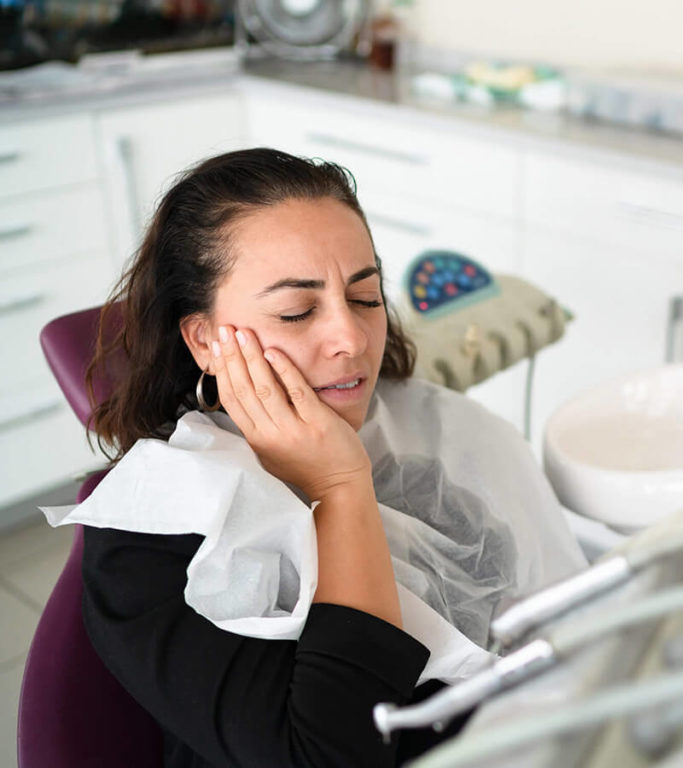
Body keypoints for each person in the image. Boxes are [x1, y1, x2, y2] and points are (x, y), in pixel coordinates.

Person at [73, 147, 583, 767]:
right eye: (297, 311)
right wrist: (341, 489)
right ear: (205, 338)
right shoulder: (152, 536)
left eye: (365, 298)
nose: (352, 339)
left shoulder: (430, 447)